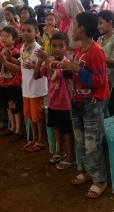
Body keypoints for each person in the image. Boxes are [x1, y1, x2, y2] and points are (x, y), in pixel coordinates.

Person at [59, 12, 109, 199]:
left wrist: (76, 69)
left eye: (74, 25)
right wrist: (61, 67)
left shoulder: (96, 51)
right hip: (77, 101)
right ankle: (89, 171)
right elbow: (75, 76)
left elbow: (99, 80)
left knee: (92, 143)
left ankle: (100, 180)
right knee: (81, 141)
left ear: (82, 28)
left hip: (91, 104)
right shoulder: (79, 51)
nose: (71, 28)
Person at [34, 32, 75, 169]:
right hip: (52, 102)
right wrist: (40, 61)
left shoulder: (66, 64)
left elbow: (52, 76)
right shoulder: (49, 61)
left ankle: (71, 156)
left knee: (66, 131)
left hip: (64, 104)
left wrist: (46, 59)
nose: (57, 49)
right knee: (57, 128)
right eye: (54, 46)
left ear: (67, 48)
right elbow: (36, 76)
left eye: (60, 46)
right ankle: (60, 151)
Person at [16, 19, 48, 152]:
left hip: (36, 89)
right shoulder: (23, 47)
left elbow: (45, 69)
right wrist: (7, 59)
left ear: (36, 32)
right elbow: (21, 64)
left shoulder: (38, 49)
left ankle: (41, 140)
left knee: (38, 117)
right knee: (30, 116)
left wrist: (35, 66)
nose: (25, 33)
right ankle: (33, 139)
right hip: (27, 88)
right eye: (23, 30)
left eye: (29, 31)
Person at [0, 26, 25, 142]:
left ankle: (19, 130)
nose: (3, 38)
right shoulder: (0, 50)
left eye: (7, 36)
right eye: (2, 35)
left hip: (13, 85)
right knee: (8, 107)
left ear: (14, 40)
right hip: (3, 83)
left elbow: (17, 68)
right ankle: (12, 127)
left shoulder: (16, 52)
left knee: (16, 108)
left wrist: (4, 61)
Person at [97, 10, 114, 116]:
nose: (98, 26)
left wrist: (99, 58)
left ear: (110, 23)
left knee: (112, 112)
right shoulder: (100, 39)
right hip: (103, 81)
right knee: (103, 110)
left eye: (101, 23)